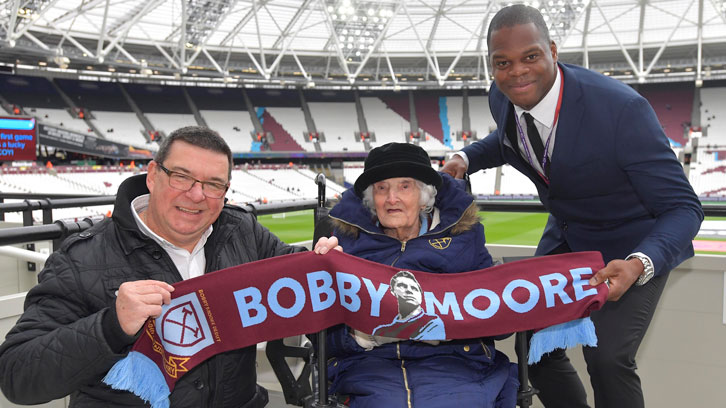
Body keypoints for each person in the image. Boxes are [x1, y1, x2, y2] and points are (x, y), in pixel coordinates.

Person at [441, 5, 704, 408]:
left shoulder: (621, 110)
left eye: (530, 57)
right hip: (568, 236)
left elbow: (684, 208)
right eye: (502, 63)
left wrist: (637, 264)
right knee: (534, 348)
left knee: (608, 357)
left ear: (552, 50)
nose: (517, 72)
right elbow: (512, 139)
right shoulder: (501, 96)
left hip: (632, 243)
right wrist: (466, 157)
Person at [0, 126, 336, 407]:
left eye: (213, 184)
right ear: (152, 176)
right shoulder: (83, 257)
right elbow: (17, 375)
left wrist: (326, 261)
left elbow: (303, 278)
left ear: (225, 191)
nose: (196, 195)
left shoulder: (243, 232)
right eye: (181, 177)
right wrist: (110, 326)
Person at [315, 142, 518, 408]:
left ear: (424, 196)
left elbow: (496, 318)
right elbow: (320, 332)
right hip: (371, 365)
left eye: (404, 186)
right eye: (381, 188)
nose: (391, 199)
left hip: (456, 362)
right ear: (370, 199)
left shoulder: (464, 239)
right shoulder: (343, 244)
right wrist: (320, 276)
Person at [371, 270, 445, 340]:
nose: (409, 290)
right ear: (393, 291)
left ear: (421, 295)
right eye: (402, 286)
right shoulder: (380, 330)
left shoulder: (433, 321)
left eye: (414, 288)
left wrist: (382, 340)